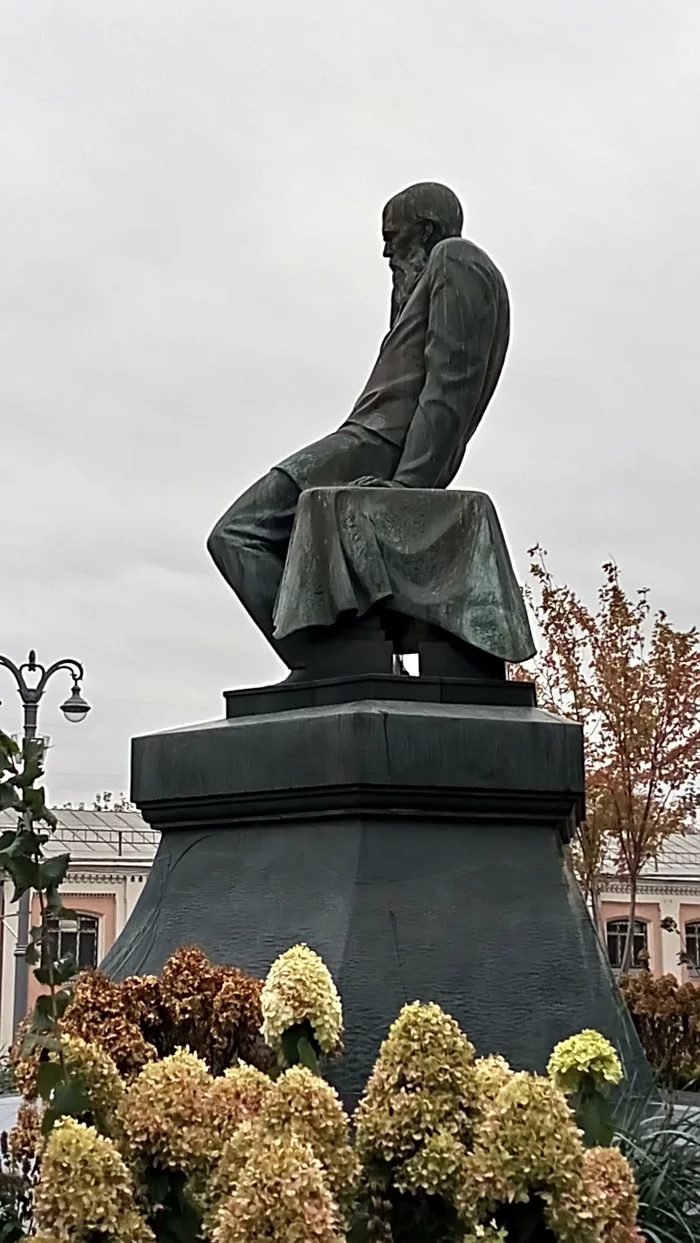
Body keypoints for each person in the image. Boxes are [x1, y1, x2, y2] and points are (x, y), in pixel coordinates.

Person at [207, 181, 510, 661]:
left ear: (428, 230)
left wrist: (411, 483)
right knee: (241, 536)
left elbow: (450, 385)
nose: (387, 250)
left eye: (394, 235)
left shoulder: (457, 260)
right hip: (372, 438)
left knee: (238, 532)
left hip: (379, 442)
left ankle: (329, 661)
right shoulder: (427, 282)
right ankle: (346, 655)